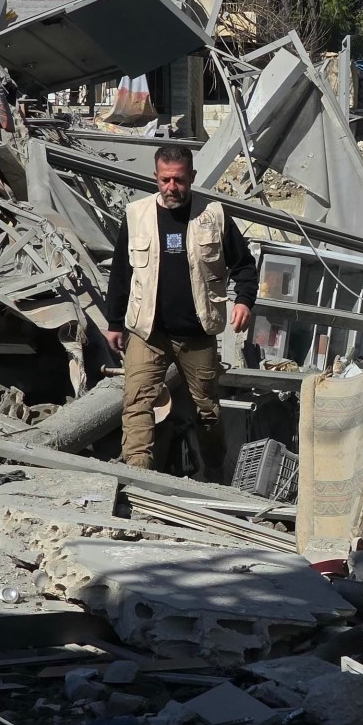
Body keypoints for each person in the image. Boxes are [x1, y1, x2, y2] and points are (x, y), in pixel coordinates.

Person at [105, 145, 258, 482]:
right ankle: (138, 481)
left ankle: (215, 472)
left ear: (192, 178)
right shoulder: (136, 215)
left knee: (207, 411)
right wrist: (114, 322)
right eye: (165, 179)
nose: (171, 187)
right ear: (155, 177)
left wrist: (245, 300)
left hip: (197, 334)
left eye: (179, 180)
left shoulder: (214, 215)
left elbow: (245, 265)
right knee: (137, 404)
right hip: (148, 332)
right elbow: (120, 274)